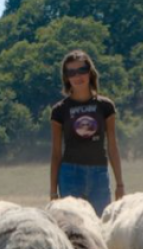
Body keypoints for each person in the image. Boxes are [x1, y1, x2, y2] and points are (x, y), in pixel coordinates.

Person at [49, 50, 124, 215]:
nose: (77, 76)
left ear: (90, 72)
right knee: (73, 224)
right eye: (71, 72)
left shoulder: (105, 106)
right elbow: (56, 153)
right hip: (70, 174)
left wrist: (120, 184)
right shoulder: (59, 110)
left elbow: (112, 146)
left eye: (81, 70)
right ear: (66, 77)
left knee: (101, 222)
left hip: (99, 174)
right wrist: (53, 192)